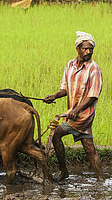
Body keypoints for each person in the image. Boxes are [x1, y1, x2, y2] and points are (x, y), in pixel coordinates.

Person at [44, 31, 104, 181]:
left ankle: (64, 171)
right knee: (89, 148)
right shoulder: (70, 65)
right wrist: (54, 96)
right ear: (77, 48)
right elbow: (65, 88)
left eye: (91, 49)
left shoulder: (94, 69)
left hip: (83, 115)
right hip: (73, 112)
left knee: (56, 134)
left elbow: (92, 96)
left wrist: (76, 110)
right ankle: (101, 180)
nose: (88, 52)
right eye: (85, 49)